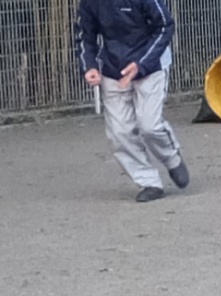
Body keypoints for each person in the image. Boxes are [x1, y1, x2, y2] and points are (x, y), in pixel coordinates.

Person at [75, 0, 190, 202]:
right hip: (113, 68)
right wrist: (89, 66)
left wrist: (141, 63)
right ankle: (149, 182)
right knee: (120, 132)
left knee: (150, 125)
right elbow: (85, 34)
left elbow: (164, 26)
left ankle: (172, 158)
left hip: (151, 65)